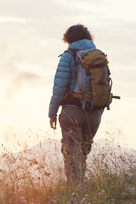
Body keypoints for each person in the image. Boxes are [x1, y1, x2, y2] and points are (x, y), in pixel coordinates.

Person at [48, 24, 104, 184]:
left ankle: (75, 191)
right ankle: (80, 188)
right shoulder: (98, 57)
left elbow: (59, 88)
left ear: (68, 39)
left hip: (72, 111)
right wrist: (98, 113)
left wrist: (52, 113)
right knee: (82, 154)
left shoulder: (68, 56)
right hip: (94, 114)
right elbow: (102, 89)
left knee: (72, 154)